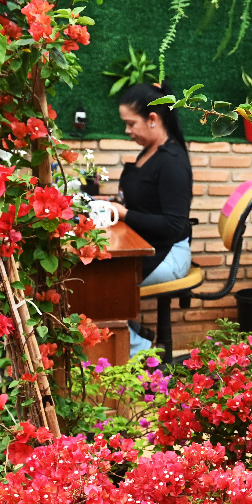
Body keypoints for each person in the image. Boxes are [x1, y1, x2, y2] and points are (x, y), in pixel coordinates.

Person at [101, 82, 194, 358]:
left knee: (103, 287)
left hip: (170, 254)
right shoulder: (150, 152)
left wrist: (124, 213)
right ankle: (135, 335)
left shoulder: (173, 162)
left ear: (152, 119)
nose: (127, 131)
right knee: (95, 279)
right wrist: (113, 204)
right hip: (146, 245)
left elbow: (172, 226)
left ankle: (142, 355)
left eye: (131, 124)